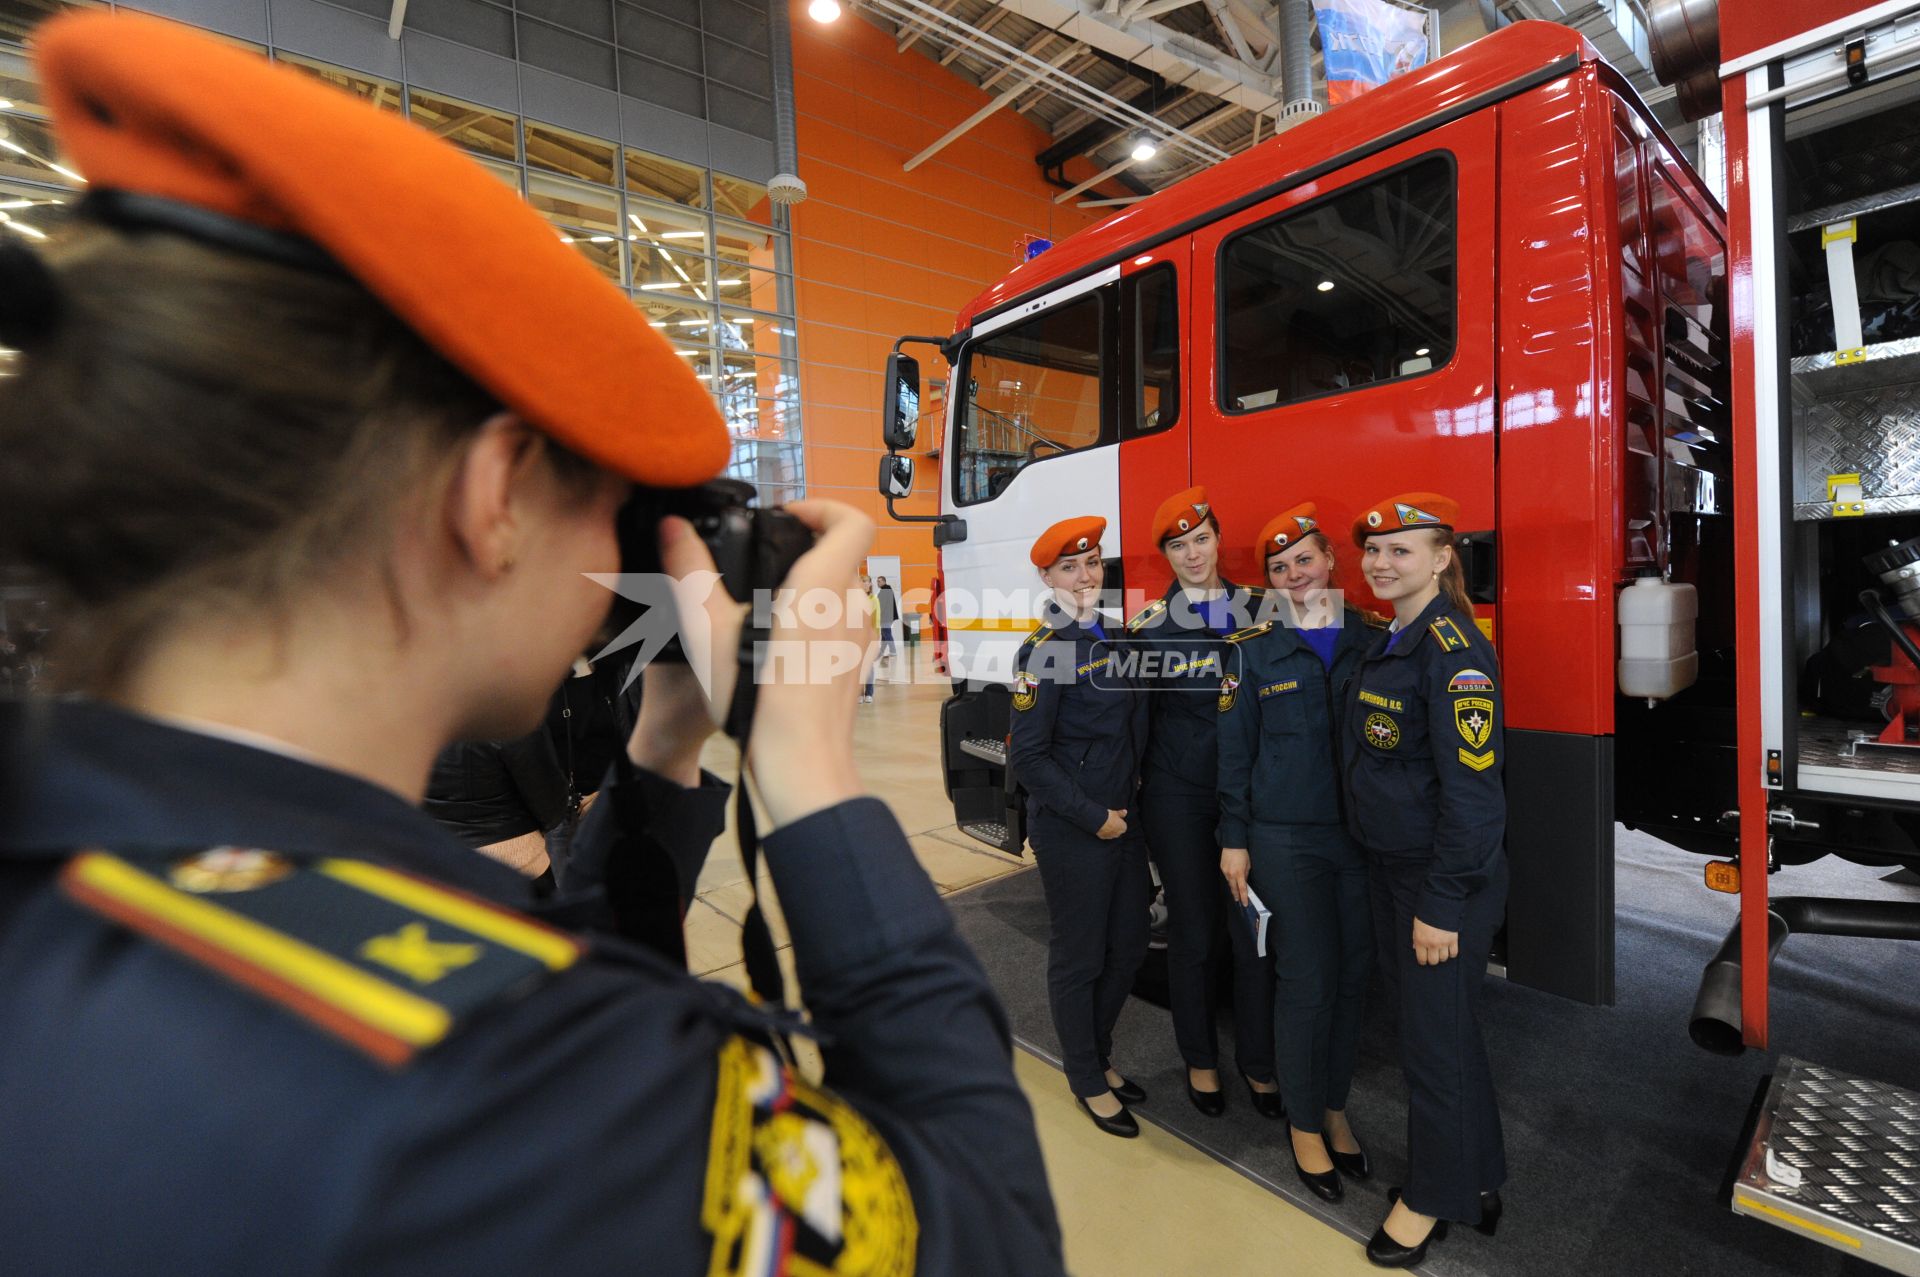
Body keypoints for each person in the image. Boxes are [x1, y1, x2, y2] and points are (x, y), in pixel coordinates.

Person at [0, 15, 1064, 1274]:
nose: (630, 561)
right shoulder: (501, 1084)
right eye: (617, 503)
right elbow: (990, 1234)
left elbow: (520, 963)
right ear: (494, 494)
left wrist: (666, 755)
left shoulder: (93, 873)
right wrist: (815, 778)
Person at [1339, 492, 1507, 1267]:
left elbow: (1474, 799)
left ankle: (1430, 1197)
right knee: (1446, 1034)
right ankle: (1475, 1176)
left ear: (1442, 558)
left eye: (1400, 550)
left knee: (1430, 1047)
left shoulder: (1453, 650)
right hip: (1398, 868)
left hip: (1439, 885)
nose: (1380, 563)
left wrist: (1441, 904)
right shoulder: (1398, 636)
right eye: (1373, 551)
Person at [1216, 503, 1378, 1203]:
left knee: (1352, 980)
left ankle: (1334, 1104)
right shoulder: (1251, 650)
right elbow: (1233, 753)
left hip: (1362, 839)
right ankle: (1304, 1123)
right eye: (1279, 568)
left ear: (1330, 561)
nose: (1293, 575)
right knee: (1307, 979)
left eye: (1303, 560)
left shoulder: (1374, 639)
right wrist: (1233, 840)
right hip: (1284, 838)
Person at [1124, 486, 1279, 1119]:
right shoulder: (1147, 629)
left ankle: (1260, 1064)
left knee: (1254, 935)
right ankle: (1201, 1059)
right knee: (1194, 932)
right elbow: (1134, 725)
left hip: (1252, 798)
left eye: (1201, 539)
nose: (1192, 554)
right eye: (1177, 545)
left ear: (1217, 538)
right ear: (1165, 555)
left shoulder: (1266, 612)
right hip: (1179, 800)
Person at [1008, 516, 1152, 1137]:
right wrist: (1095, 818)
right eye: (1069, 567)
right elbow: (1028, 758)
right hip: (1076, 829)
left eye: (1092, 564)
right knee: (1080, 956)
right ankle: (1086, 1077)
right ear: (1046, 577)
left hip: (1125, 821)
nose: (1085, 577)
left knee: (1129, 947)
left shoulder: (1116, 637)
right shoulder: (1045, 651)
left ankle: (1098, 1052)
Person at [876, 575, 900, 659]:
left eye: (879, 581)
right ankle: (882, 651)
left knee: (886, 633)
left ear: (884, 581)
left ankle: (893, 651)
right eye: (877, 581)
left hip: (886, 617)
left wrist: (878, 614)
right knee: (884, 634)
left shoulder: (885, 590)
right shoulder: (886, 590)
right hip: (887, 617)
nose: (877, 583)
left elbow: (882, 606)